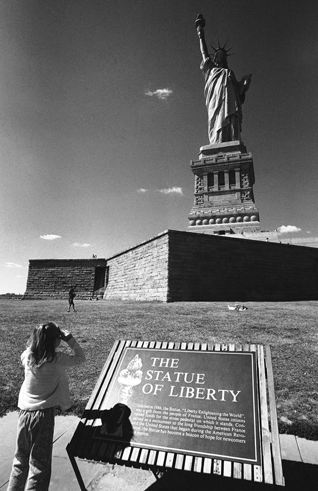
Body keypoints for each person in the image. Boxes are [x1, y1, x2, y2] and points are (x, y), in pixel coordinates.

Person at [7, 322, 86, 490]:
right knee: (39, 466)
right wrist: (70, 340)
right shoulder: (57, 359)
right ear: (55, 340)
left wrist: (40, 336)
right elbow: (81, 358)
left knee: (20, 461)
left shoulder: (27, 356)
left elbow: (30, 348)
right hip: (42, 416)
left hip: (24, 413)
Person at [195, 13, 252, 144]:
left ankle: (232, 141)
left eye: (223, 56)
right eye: (218, 55)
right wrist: (200, 34)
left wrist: (245, 84)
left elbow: (239, 92)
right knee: (216, 124)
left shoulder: (229, 72)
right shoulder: (210, 68)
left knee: (232, 121)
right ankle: (217, 144)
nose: (220, 57)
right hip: (216, 103)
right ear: (214, 58)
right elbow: (203, 51)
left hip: (231, 104)